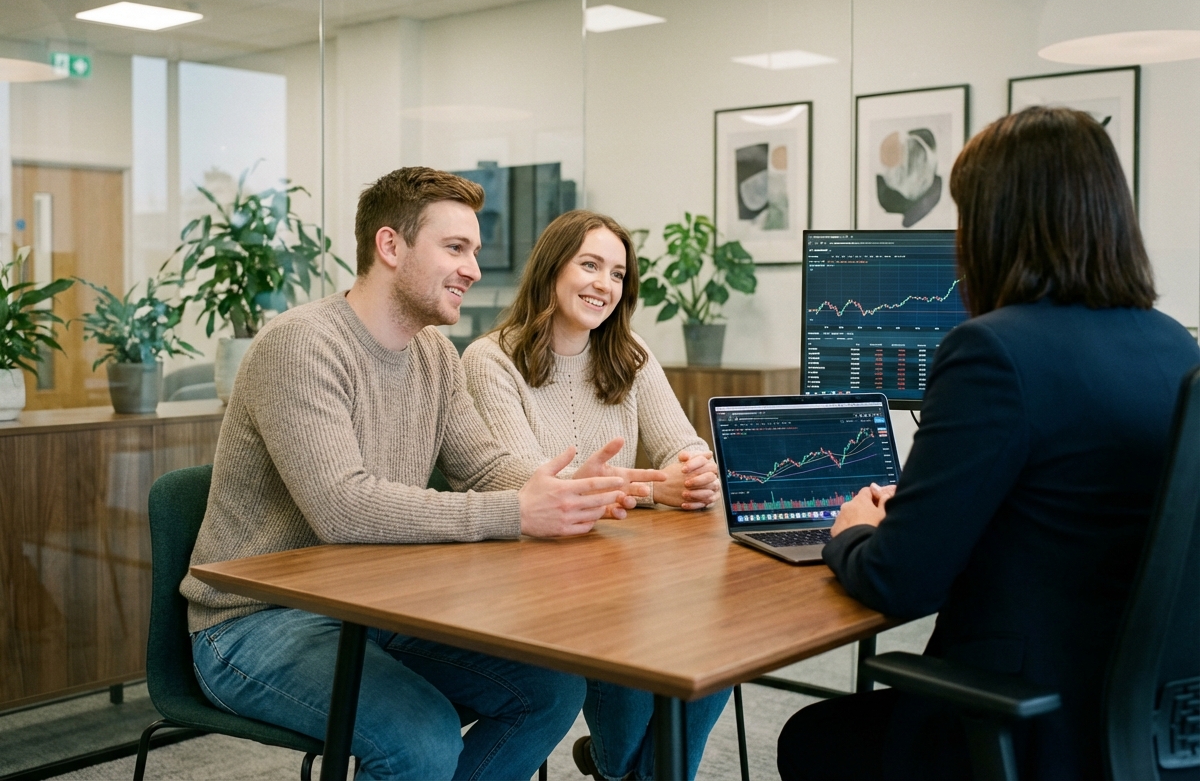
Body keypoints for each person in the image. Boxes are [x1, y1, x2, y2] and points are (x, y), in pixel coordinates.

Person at [182, 168, 665, 781]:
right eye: (455, 248)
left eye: (475, 252)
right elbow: (343, 506)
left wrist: (565, 492)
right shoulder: (299, 346)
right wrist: (519, 511)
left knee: (551, 691)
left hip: (375, 610)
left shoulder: (434, 354)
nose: (473, 269)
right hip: (256, 622)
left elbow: (483, 466)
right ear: (390, 247)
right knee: (423, 738)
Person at [776, 106, 1200, 781]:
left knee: (815, 736)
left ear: (998, 225)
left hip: (1022, 730)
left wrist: (852, 531)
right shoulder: (1174, 344)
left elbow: (898, 581)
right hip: (1135, 730)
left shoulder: (994, 352)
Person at [462, 209, 730, 781]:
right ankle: (622, 769)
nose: (603, 285)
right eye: (589, 265)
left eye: (616, 274)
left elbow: (680, 448)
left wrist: (695, 470)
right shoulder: (491, 360)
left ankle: (623, 770)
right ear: (551, 269)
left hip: (621, 570)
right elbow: (535, 486)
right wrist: (659, 491)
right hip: (532, 581)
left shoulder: (629, 352)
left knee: (719, 643)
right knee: (638, 653)